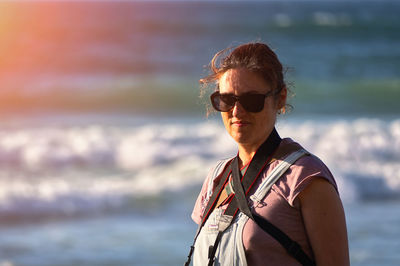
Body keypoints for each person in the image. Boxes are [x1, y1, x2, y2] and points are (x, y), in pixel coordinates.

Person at [186, 42, 349, 266]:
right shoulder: (216, 178)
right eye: (226, 100)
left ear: (280, 98)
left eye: (251, 100)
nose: (236, 111)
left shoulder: (306, 178)